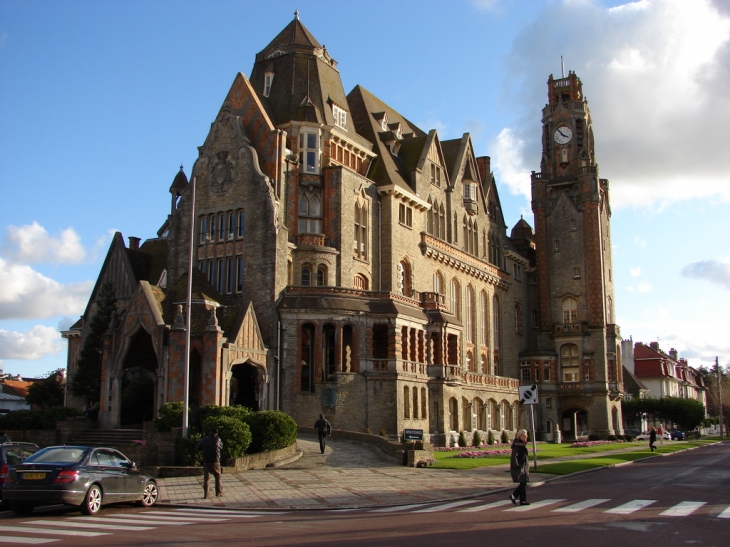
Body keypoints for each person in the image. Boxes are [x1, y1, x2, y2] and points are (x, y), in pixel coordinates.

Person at [196, 427, 223, 498]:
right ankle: (218, 492)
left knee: (207, 478)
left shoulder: (204, 440)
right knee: (218, 476)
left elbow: (197, 447)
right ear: (216, 433)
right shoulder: (218, 439)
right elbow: (221, 447)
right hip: (215, 461)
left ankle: (206, 494)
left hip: (206, 460)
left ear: (210, 432)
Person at [509, 429, 530, 506]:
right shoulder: (517, 445)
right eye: (524, 435)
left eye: (526, 435)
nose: (525, 437)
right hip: (519, 467)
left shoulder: (522, 444)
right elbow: (514, 457)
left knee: (523, 482)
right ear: (519, 436)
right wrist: (516, 466)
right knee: (523, 483)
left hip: (523, 466)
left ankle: (523, 500)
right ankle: (514, 495)